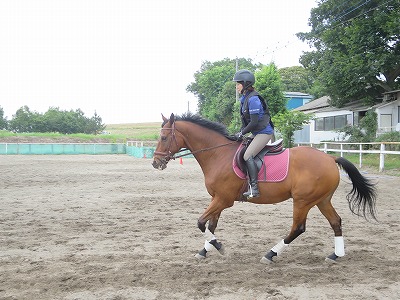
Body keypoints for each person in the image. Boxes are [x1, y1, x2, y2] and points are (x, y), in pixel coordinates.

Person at [233, 69, 274, 198]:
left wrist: (242, 133)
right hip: (256, 132)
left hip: (264, 132)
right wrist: (239, 133)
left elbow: (255, 122)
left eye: (238, 84)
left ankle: (254, 188)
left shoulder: (254, 99)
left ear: (245, 84)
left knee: (247, 155)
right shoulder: (244, 99)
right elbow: (246, 122)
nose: (236, 86)